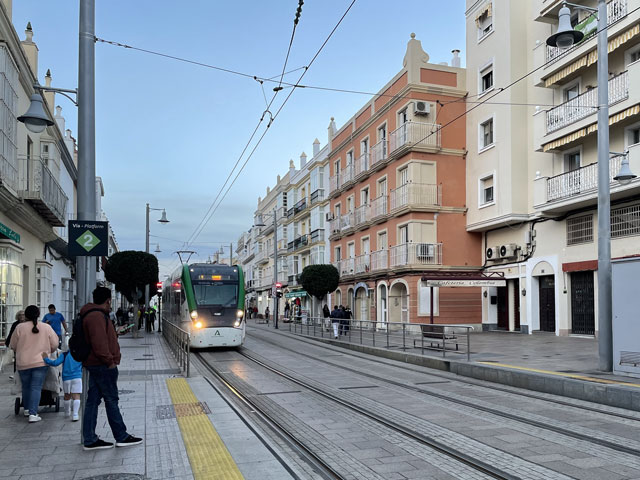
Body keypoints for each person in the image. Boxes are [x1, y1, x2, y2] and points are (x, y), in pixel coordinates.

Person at [81, 286, 142, 450]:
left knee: (93, 400)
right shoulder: (96, 316)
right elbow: (99, 344)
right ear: (108, 301)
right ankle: (121, 436)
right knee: (111, 399)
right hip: (102, 365)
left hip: (96, 364)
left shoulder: (94, 315)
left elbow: (101, 338)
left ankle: (90, 439)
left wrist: (115, 333)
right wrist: (110, 362)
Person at [9, 305, 58, 422]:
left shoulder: (19, 328)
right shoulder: (46, 327)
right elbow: (55, 344)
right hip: (40, 362)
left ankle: (26, 409)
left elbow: (13, 345)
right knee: (36, 387)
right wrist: (48, 351)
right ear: (38, 314)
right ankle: (33, 413)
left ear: (26, 315)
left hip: (23, 362)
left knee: (26, 386)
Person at [42, 348, 82, 421]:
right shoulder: (80, 354)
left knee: (67, 396)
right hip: (77, 377)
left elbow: (55, 363)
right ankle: (75, 414)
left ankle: (67, 412)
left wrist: (46, 359)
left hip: (66, 379)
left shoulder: (64, 354)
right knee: (76, 396)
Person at [6, 310, 26, 378]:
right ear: (17, 316)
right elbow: (11, 333)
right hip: (17, 344)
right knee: (17, 359)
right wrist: (7, 342)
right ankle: (15, 374)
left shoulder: (27, 323)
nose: (21, 316)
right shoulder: (15, 324)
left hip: (26, 344)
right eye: (20, 315)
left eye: (23, 315)